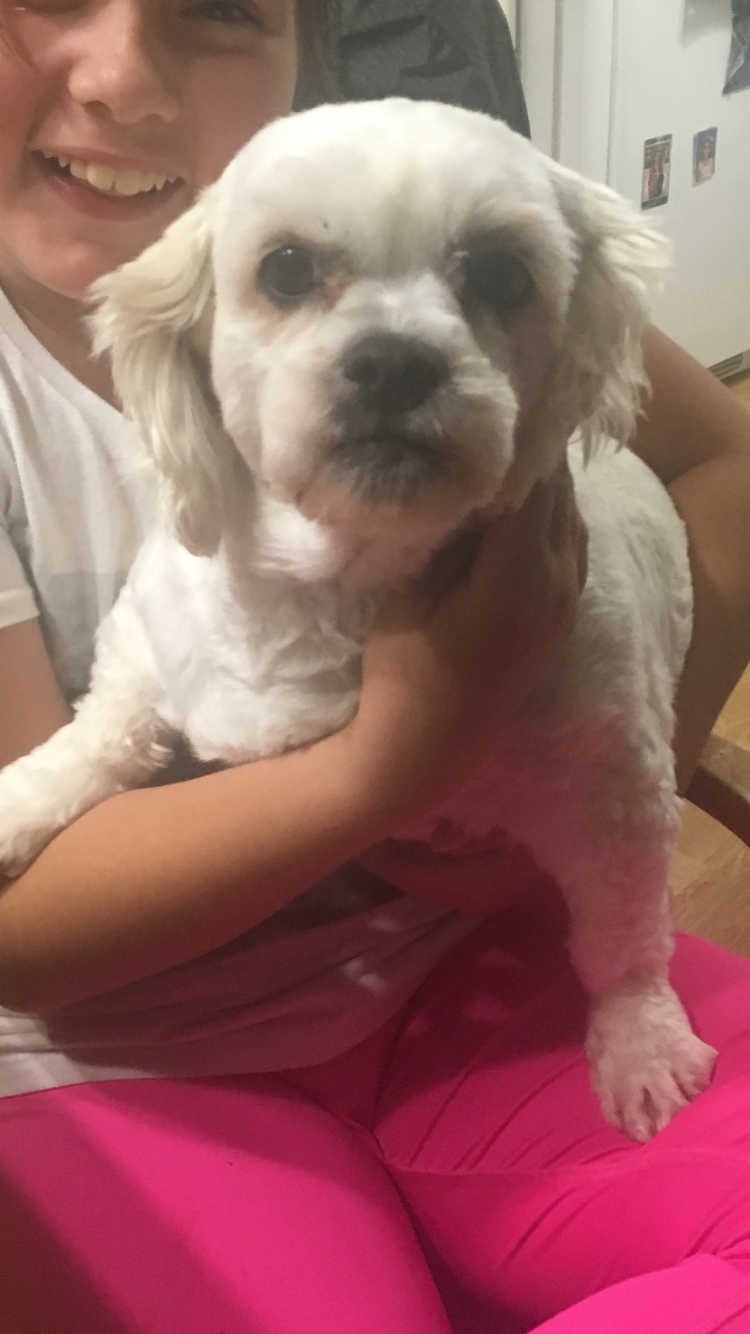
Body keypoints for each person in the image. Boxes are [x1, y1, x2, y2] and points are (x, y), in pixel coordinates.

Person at [0, 2, 750, 1331]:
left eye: (217, 3)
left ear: (308, 45)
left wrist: (631, 753)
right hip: (119, 1049)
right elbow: (18, 941)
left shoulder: (458, 199)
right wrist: (401, 756)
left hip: (479, 963)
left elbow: (727, 465)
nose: (120, 80)